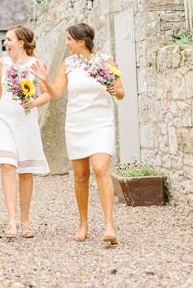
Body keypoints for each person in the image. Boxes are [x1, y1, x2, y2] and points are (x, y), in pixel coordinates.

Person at [32, 22, 124, 245]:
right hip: (76, 124)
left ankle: (109, 225)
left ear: (81, 41)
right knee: (81, 176)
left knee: (101, 169)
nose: (67, 43)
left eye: (69, 40)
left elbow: (121, 92)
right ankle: (83, 223)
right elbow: (55, 94)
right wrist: (44, 80)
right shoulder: (68, 64)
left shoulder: (106, 61)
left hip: (101, 122)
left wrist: (115, 89)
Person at [0, 25, 50, 239]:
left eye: (9, 39)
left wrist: (33, 102)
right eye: (6, 39)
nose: (6, 43)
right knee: (7, 166)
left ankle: (25, 221)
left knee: (25, 171)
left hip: (25, 120)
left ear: (21, 42)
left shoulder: (37, 65)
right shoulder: (2, 63)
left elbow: (47, 95)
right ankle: (11, 221)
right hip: (4, 119)